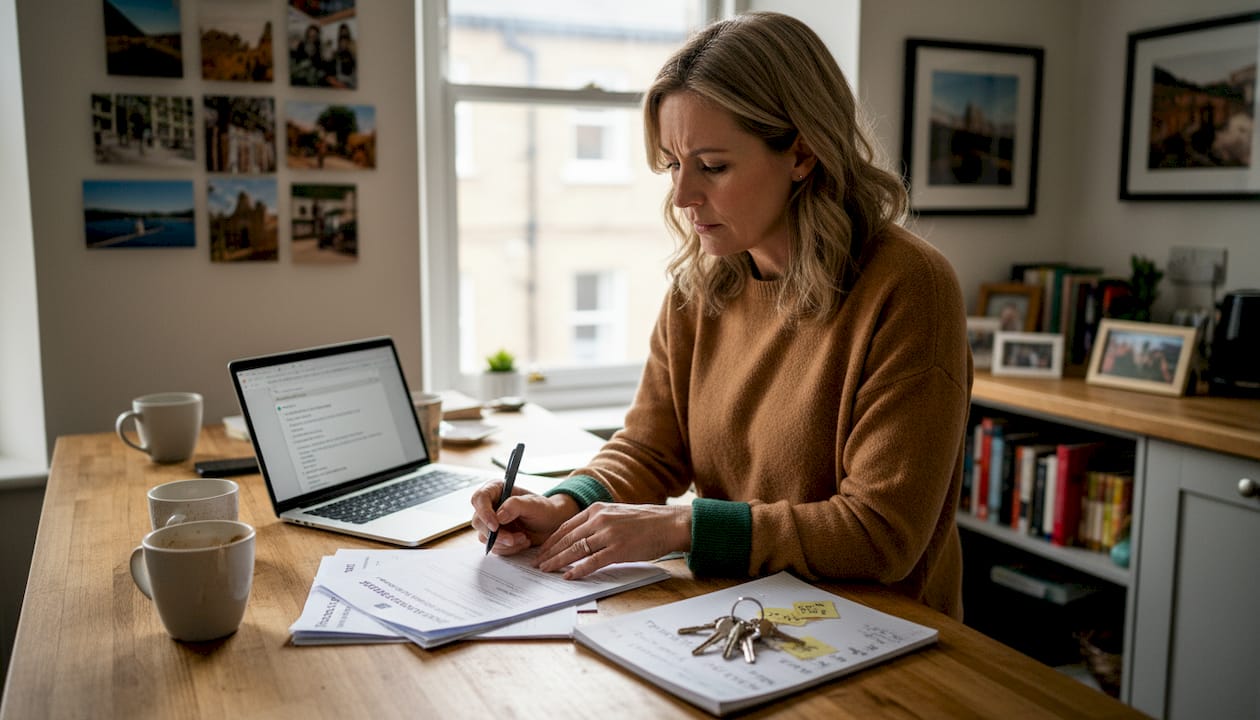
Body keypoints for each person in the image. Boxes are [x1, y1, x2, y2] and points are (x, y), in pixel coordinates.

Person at [470, 11, 972, 619]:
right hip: (747, 612)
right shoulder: (701, 285)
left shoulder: (909, 287)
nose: (682, 197)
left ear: (803, 152)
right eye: (673, 165)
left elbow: (879, 534)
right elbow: (651, 450)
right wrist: (565, 504)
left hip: (880, 634)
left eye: (712, 166)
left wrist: (680, 527)